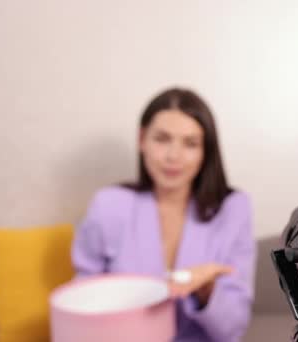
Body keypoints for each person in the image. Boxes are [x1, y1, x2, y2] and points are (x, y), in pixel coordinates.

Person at [71, 88, 256, 342]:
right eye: (162, 139)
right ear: (142, 139)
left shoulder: (233, 208)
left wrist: (207, 291)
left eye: (190, 143)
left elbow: (233, 329)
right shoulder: (109, 204)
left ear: (205, 151)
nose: (173, 156)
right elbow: (81, 302)